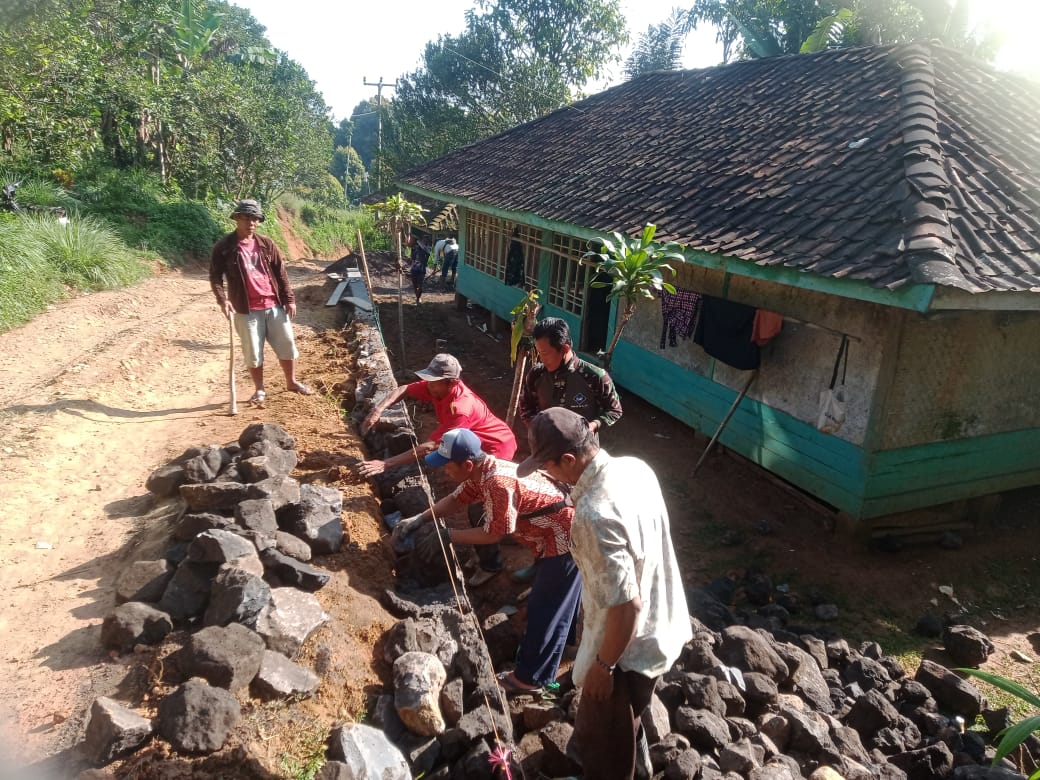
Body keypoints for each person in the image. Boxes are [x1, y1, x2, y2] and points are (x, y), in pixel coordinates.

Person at [517, 407, 691, 780]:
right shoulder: (635, 467)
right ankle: (635, 766)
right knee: (624, 726)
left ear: (567, 459)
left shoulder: (593, 514)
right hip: (663, 624)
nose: (547, 474)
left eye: (547, 466)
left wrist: (603, 667)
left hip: (626, 652)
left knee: (607, 752)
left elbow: (627, 606)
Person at [396, 427, 581, 693]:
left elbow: (495, 534)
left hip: (564, 538)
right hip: (549, 532)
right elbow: (457, 498)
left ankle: (531, 679)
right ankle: (565, 644)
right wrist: (421, 518)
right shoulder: (482, 470)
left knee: (547, 607)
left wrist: (449, 535)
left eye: (447, 466)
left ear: (467, 463)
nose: (443, 472)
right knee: (558, 597)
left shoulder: (497, 482)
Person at [357, 353, 516, 582]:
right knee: (469, 493)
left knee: (479, 504)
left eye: (434, 380)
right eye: (428, 379)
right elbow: (404, 389)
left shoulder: (460, 408)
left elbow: (430, 446)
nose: (428, 384)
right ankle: (491, 536)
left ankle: (491, 563)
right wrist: (378, 410)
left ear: (450, 382)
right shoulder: (437, 387)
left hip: (495, 447)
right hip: (472, 444)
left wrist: (385, 464)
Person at [209, 199, 313, 403]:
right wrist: (223, 301)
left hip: (274, 305)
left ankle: (291, 382)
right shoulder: (224, 247)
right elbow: (215, 276)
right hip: (246, 309)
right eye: (246, 218)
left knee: (287, 345)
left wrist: (289, 299)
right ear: (237, 218)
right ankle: (260, 389)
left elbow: (280, 273)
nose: (251, 223)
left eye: (255, 219)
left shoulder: (266, 244)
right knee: (253, 352)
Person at [519, 317, 623, 433]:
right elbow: (526, 408)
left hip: (583, 448)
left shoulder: (595, 377)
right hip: (545, 448)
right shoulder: (536, 375)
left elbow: (614, 410)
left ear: (565, 348)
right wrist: (539, 429)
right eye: (539, 353)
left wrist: (593, 426)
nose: (541, 359)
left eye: (545, 353)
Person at [407, 234, 432, 304]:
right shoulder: (416, 247)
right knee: (415, 285)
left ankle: (418, 298)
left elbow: (425, 249)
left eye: (426, 239)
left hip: (422, 269)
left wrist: (417, 241)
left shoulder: (428, 248)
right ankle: (418, 298)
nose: (425, 240)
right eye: (424, 239)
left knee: (420, 285)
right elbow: (412, 257)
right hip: (414, 268)